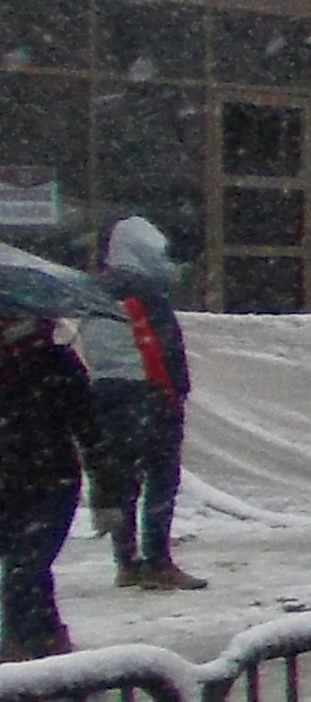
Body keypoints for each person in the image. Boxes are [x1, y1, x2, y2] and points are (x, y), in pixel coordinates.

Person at [86, 216, 204, 591]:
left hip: (106, 391)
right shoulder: (146, 290)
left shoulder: (95, 289)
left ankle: (126, 561)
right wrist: (173, 390)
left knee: (123, 479)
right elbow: (160, 346)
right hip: (148, 391)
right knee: (161, 476)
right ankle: (158, 560)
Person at [0, 311, 99, 660]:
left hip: (49, 480)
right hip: (29, 478)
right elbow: (89, 427)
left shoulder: (57, 363)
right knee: (26, 565)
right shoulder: (52, 363)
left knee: (25, 564)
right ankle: (41, 640)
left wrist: (108, 488)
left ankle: (23, 646)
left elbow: (88, 426)